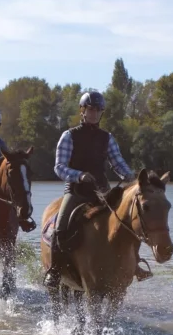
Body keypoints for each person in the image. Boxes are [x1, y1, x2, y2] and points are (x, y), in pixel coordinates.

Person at [42, 91, 137, 289]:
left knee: (129, 222)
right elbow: (59, 167)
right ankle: (55, 271)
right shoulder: (69, 136)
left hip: (102, 192)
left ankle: (134, 265)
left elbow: (118, 162)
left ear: (101, 113)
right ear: (83, 111)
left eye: (98, 110)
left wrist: (130, 177)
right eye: (90, 109)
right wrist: (79, 175)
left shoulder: (107, 138)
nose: (94, 113)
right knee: (60, 228)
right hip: (76, 192)